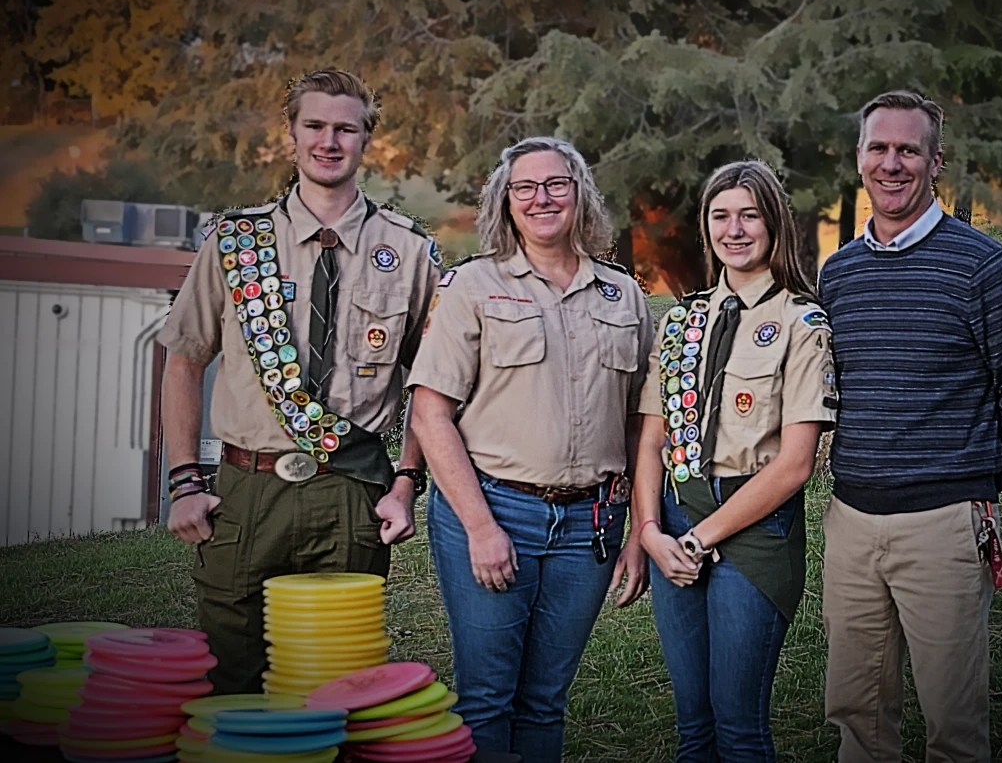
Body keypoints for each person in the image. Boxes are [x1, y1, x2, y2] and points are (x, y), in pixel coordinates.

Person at [158, 68, 440, 694]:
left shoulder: (410, 251)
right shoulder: (237, 242)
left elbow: (429, 385)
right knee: (231, 675)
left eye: (346, 128)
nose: (329, 141)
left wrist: (405, 483)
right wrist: (183, 482)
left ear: (368, 139)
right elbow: (185, 360)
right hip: (245, 490)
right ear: (291, 135)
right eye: (314, 125)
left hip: (350, 489)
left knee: (336, 680)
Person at [818, 90, 1002, 762]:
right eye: (879, 148)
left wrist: (972, 480)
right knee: (858, 718)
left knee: (954, 727)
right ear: (859, 158)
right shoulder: (836, 275)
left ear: (935, 161)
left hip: (946, 527)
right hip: (850, 524)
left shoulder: (984, 268)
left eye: (908, 149)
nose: (891, 163)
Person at [407, 136, 653, 763]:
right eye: (526, 187)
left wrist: (636, 529)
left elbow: (639, 425)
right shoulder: (472, 286)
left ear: (580, 196)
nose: (542, 198)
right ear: (506, 202)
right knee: (487, 698)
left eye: (556, 184)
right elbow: (431, 414)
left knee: (545, 699)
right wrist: (481, 527)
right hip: (494, 512)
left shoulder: (623, 297)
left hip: (589, 527)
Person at [630, 160, 837, 763]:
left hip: (753, 530)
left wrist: (698, 542)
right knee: (693, 725)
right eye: (721, 215)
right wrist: (649, 533)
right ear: (706, 227)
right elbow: (650, 440)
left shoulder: (802, 322)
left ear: (774, 223)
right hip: (673, 522)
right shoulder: (681, 323)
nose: (735, 229)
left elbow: (796, 464)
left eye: (750, 214)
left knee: (739, 725)